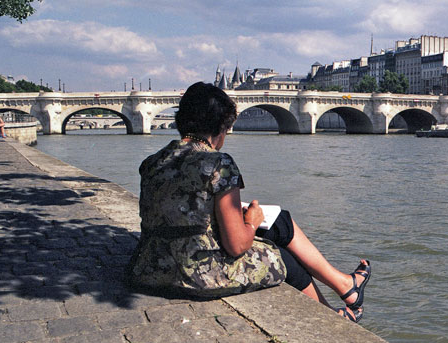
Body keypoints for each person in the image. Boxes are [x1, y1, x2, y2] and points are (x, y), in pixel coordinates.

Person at [127, 82, 371, 322]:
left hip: (149, 268)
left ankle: (345, 286)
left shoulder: (153, 162)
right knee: (281, 257)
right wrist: (252, 222)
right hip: (194, 274)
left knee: (280, 222)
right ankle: (333, 315)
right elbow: (236, 246)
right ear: (221, 128)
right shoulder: (218, 164)